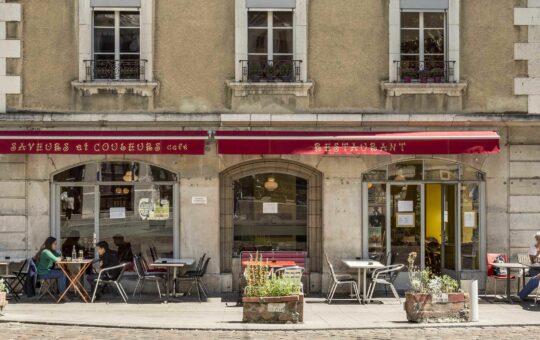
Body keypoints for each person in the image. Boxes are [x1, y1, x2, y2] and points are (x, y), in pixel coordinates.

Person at [519, 232, 540, 300]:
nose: (538, 240)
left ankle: (521, 296)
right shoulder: (533, 247)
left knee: (535, 279)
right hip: (535, 268)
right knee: (534, 279)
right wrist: (537, 253)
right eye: (538, 239)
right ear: (536, 239)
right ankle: (521, 296)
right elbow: (532, 260)